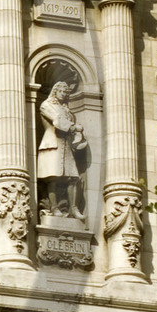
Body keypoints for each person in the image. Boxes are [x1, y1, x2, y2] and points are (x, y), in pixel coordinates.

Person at [36, 77, 89, 221]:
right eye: (62, 91)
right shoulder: (47, 105)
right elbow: (57, 121)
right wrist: (73, 127)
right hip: (52, 143)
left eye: (66, 92)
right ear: (55, 91)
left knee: (73, 177)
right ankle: (54, 207)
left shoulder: (65, 108)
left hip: (66, 145)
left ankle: (73, 208)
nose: (64, 94)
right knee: (52, 177)